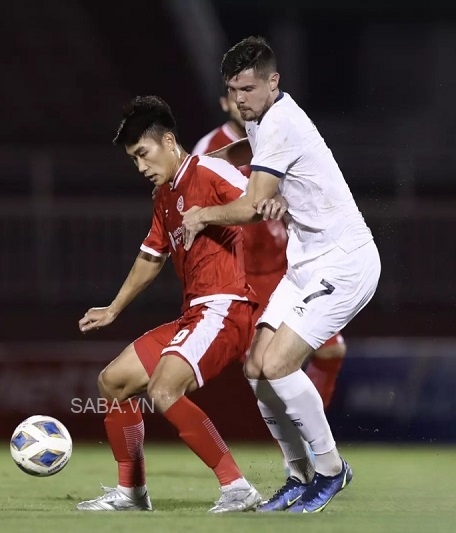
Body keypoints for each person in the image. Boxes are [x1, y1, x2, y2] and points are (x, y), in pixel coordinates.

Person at [181, 36, 380, 513]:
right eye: (233, 89)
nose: (240, 99)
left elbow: (252, 206)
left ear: (274, 82)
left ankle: (331, 470)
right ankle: (298, 474)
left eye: (248, 88)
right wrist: (198, 167)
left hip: (344, 261)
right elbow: (244, 158)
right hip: (306, 263)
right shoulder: (265, 119)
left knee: (278, 364)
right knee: (255, 368)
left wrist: (203, 214)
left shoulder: (280, 124)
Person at [76, 95, 278, 514]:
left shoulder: (208, 169)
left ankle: (237, 487)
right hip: (196, 312)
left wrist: (206, 215)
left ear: (168, 141)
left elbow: (258, 203)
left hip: (226, 305)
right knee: (112, 382)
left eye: (143, 154)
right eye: (133, 160)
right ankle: (131, 492)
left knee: (164, 388)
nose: (141, 167)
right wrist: (114, 308)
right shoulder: (164, 196)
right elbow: (152, 257)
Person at [192, 90, 348, 410]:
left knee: (331, 351)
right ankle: (299, 450)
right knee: (269, 368)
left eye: (248, 93)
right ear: (223, 104)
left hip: (287, 266)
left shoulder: (276, 135)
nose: (242, 102)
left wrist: (283, 201)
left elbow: (302, 185)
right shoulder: (209, 150)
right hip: (247, 274)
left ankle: (309, 437)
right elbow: (195, 208)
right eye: (234, 96)